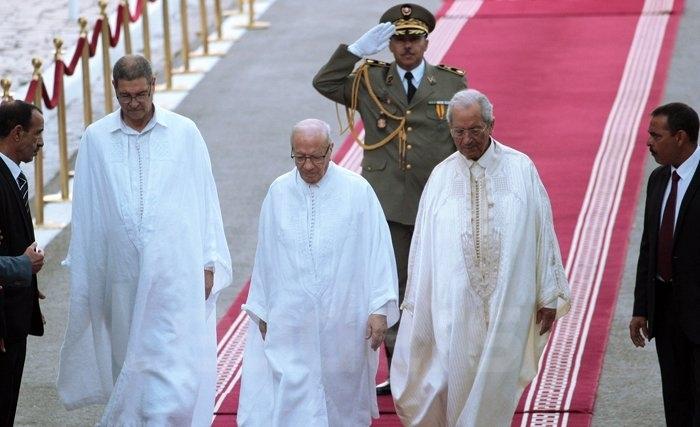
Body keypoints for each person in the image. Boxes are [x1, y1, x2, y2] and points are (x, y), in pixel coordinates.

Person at [57, 54, 232, 425]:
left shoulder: (184, 132)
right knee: (129, 360)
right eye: (125, 96)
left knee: (173, 362)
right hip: (120, 275)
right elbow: (87, 210)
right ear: (115, 92)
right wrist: (87, 273)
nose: (134, 104)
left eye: (140, 94)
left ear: (153, 85)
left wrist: (209, 259)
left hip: (175, 271)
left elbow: (204, 199)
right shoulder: (96, 138)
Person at [390, 89, 571, 426]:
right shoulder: (441, 177)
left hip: (509, 299)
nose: (467, 139)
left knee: (497, 381)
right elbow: (422, 247)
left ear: (491, 124)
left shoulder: (520, 168)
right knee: (452, 376)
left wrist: (548, 291)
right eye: (459, 132)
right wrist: (418, 301)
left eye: (475, 130)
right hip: (453, 303)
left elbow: (542, 229)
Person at [313, 3, 467, 394]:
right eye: (399, 38)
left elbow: (466, 138)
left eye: (414, 38)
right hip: (387, 204)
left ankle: (439, 366)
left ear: (427, 41)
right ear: (389, 43)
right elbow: (325, 83)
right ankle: (400, 373)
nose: (407, 46)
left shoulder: (451, 85)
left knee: (437, 285)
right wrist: (355, 52)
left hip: (435, 202)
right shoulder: (370, 80)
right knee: (392, 287)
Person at [237, 119, 399, 426]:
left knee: (341, 399)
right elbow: (265, 256)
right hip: (291, 322)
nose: (309, 165)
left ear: (330, 150)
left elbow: (379, 252)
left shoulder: (357, 191)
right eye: (300, 157)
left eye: (316, 157)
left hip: (343, 320)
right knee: (293, 395)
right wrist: (262, 309)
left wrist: (379, 310)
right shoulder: (278, 192)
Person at [630, 102, 700, 425]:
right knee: (676, 400)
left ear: (681, 137)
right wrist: (641, 307)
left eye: (655, 136)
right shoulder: (658, 180)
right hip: (667, 312)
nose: (648, 143)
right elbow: (649, 246)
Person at [0, 99, 46, 426]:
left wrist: (30, 285)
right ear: (17, 134)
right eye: (37, 133)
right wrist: (22, 267)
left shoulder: (13, 177)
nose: (41, 142)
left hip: (14, 316)